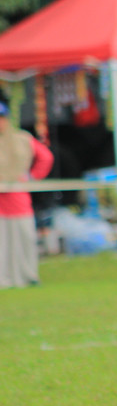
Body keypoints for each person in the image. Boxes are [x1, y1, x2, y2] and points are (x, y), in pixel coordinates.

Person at [0, 101, 54, 289]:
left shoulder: (22, 138)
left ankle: (26, 275)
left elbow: (45, 157)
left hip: (17, 196)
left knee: (23, 238)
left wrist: (31, 177)